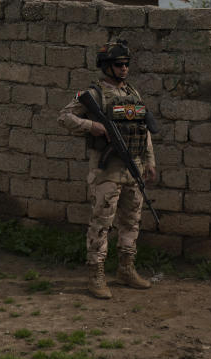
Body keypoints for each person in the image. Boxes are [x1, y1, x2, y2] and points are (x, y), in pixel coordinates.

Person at [58, 39, 157, 299]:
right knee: (102, 222)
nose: (124, 68)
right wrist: (94, 127)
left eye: (126, 64)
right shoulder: (94, 94)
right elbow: (64, 117)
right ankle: (96, 273)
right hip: (107, 172)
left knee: (131, 220)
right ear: (106, 66)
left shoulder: (133, 94)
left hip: (132, 167)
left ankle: (126, 268)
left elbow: (143, 130)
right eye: (118, 64)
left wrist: (150, 161)